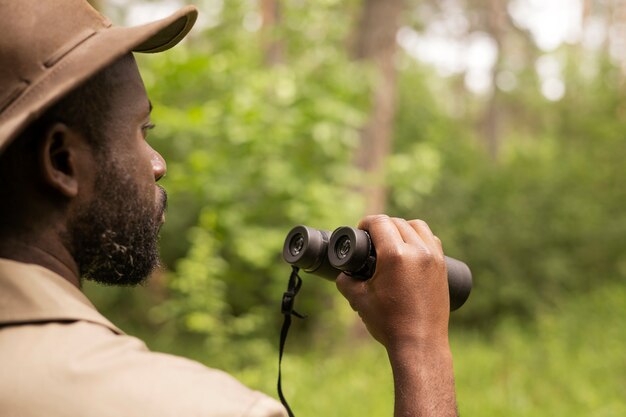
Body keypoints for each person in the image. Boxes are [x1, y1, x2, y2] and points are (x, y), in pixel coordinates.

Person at [0, 1, 458, 416]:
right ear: (62, 159)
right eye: (142, 130)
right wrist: (422, 347)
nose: (158, 164)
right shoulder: (180, 405)